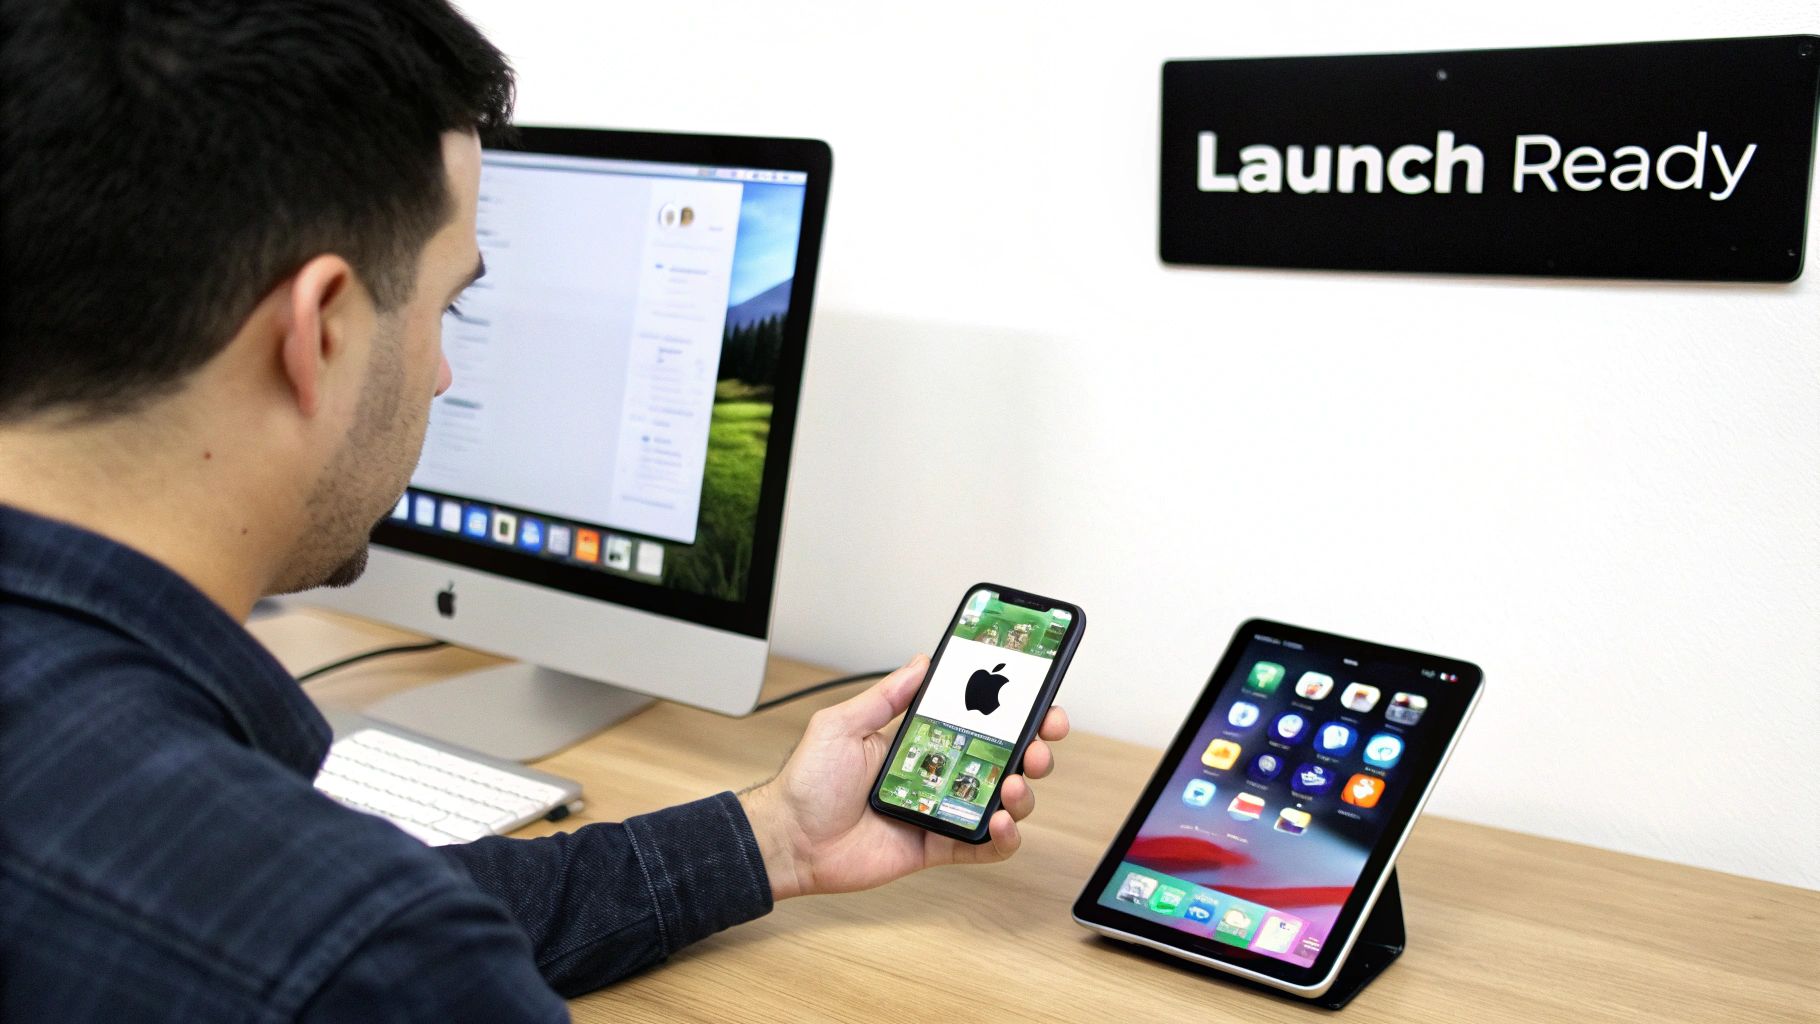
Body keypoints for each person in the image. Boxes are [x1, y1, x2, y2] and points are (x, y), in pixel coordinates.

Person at [0, 2, 1070, 1021]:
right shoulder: (358, 960)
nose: (442, 372)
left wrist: (775, 836)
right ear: (318, 329)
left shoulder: (277, 884)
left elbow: (339, 899)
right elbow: (358, 942)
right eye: (445, 302)